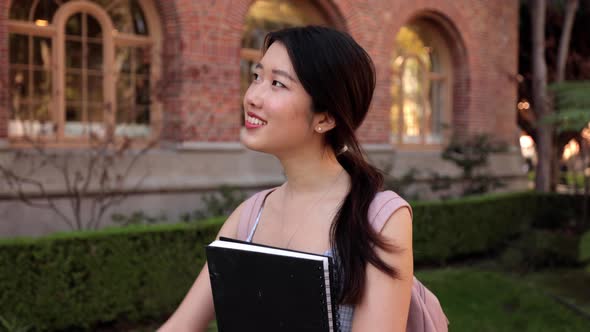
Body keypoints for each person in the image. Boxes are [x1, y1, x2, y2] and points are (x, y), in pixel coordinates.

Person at [158, 26, 413, 332]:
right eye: (256, 77)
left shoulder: (380, 219)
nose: (252, 96)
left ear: (325, 118)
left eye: (277, 83)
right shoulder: (248, 218)